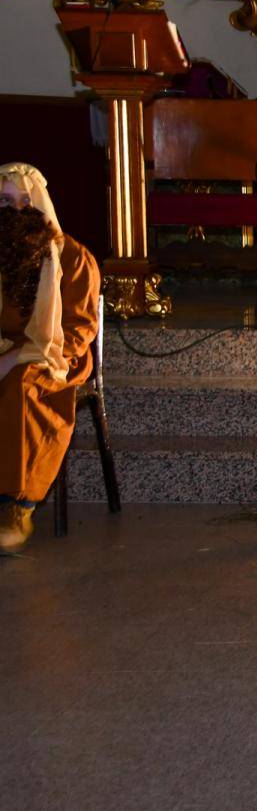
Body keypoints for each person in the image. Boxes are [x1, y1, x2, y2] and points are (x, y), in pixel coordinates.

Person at [0, 163, 101, 554]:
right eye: (5, 202)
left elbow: (78, 331)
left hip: (55, 356)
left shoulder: (72, 256)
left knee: (22, 383)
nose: (17, 211)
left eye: (26, 201)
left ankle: (16, 505)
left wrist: (19, 356)